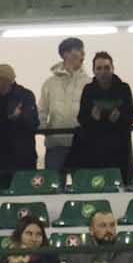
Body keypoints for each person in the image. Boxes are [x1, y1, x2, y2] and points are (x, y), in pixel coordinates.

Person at [37, 37, 90, 187]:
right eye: (78, 50)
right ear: (65, 54)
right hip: (55, 145)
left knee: (83, 188)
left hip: (81, 144)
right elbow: (42, 110)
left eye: (82, 51)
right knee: (53, 188)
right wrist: (44, 130)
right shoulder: (50, 84)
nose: (82, 54)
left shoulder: (88, 83)